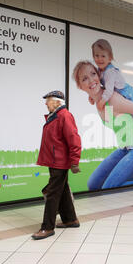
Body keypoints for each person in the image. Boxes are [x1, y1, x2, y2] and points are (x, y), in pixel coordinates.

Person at [73, 61, 133, 190]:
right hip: (123, 149)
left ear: (99, 76)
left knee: (107, 188)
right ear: (80, 86)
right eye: (84, 79)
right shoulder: (98, 103)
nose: (91, 80)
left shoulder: (112, 99)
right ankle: (129, 175)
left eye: (93, 74)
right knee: (93, 185)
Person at [32, 91, 82, 240]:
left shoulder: (64, 116)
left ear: (57, 102)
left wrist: (74, 161)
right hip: (54, 160)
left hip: (59, 162)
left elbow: (74, 139)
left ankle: (47, 227)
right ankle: (70, 219)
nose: (46, 104)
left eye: (48, 101)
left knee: (52, 193)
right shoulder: (55, 117)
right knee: (63, 190)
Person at [89, 39, 133, 133]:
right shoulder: (99, 70)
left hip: (126, 92)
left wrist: (102, 101)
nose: (100, 59)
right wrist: (91, 96)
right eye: (96, 55)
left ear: (109, 58)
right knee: (116, 115)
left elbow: (108, 91)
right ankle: (125, 136)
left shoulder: (109, 72)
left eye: (103, 56)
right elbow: (96, 85)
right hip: (115, 93)